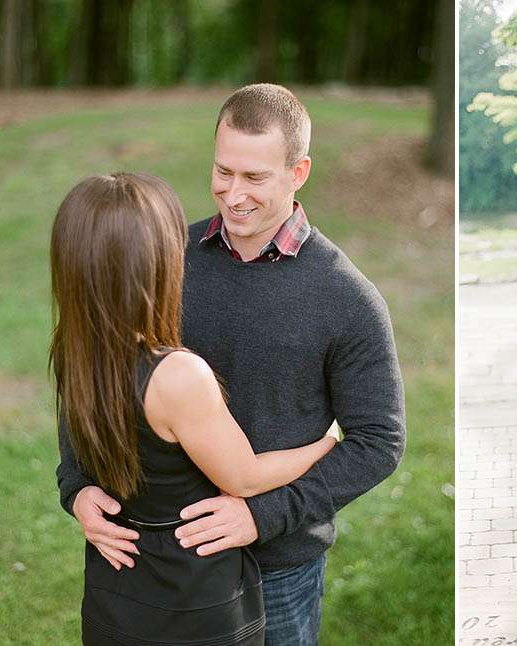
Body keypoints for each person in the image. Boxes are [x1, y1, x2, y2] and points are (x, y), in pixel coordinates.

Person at [57, 84, 407, 645]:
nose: (233, 194)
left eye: (255, 178)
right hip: (158, 559)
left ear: (299, 172)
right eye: (223, 171)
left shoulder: (347, 298)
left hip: (280, 567)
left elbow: (378, 442)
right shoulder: (166, 257)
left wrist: (262, 516)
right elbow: (96, 360)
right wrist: (74, 483)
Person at [50, 173, 339, 644]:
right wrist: (326, 440)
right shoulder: (178, 376)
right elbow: (243, 477)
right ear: (155, 263)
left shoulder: (75, 349)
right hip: (190, 601)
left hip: (116, 593)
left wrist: (77, 493)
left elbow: (79, 452)